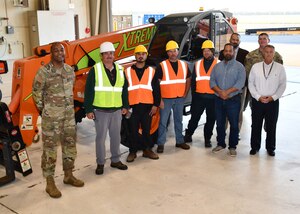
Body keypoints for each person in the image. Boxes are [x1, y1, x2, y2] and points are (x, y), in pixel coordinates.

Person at [32, 42, 84, 198]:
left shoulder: (70, 71)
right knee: (50, 150)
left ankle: (68, 175)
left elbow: (71, 90)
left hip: (69, 117)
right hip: (51, 118)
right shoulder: (43, 72)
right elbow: (36, 94)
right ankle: (50, 183)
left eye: (62, 50)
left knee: (70, 146)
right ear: (51, 53)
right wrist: (46, 110)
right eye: (56, 50)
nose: (60, 52)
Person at [84, 41, 128, 175]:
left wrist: (125, 105)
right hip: (101, 110)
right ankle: (100, 163)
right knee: (100, 138)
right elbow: (89, 90)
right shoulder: (95, 70)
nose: (109, 56)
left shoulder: (120, 69)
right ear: (101, 55)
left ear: (114, 55)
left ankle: (115, 160)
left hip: (116, 110)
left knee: (116, 137)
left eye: (111, 53)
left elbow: (124, 89)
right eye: (106, 53)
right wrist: (89, 109)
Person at [248, 45, 286, 156]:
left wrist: (273, 97)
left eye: (271, 52)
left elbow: (282, 85)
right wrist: (257, 96)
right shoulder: (256, 67)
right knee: (256, 125)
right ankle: (255, 147)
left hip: (272, 102)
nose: (268, 54)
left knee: (271, 126)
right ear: (263, 53)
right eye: (266, 52)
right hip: (257, 101)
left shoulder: (279, 68)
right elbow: (251, 83)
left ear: (274, 53)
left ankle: (270, 148)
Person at [124, 45, 161, 162]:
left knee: (146, 129)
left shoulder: (151, 71)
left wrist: (156, 105)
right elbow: (124, 90)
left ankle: (147, 150)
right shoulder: (127, 71)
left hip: (147, 106)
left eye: (143, 54)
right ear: (135, 56)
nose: (140, 56)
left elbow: (156, 89)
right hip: (132, 106)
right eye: (138, 54)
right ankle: (132, 151)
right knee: (132, 130)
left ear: (146, 55)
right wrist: (125, 106)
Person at [210, 43, 246, 156]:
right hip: (219, 99)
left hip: (233, 100)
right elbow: (212, 82)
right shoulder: (217, 66)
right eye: (226, 51)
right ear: (223, 52)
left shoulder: (240, 67)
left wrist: (227, 92)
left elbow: (240, 83)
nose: (228, 53)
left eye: (230, 51)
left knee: (234, 124)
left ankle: (232, 146)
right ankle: (220, 143)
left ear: (233, 52)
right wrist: (220, 92)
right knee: (220, 124)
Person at [156, 40, 191, 153]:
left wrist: (185, 93)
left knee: (178, 120)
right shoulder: (162, 66)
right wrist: (159, 99)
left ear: (177, 52)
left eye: (174, 51)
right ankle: (161, 143)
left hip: (180, 97)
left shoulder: (184, 64)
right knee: (163, 122)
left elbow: (188, 79)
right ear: (167, 53)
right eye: (170, 51)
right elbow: (156, 84)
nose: (172, 53)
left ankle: (179, 141)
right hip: (165, 98)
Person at [184, 40, 218, 148]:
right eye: (204, 51)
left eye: (208, 51)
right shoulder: (197, 64)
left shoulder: (219, 64)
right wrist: (194, 97)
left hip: (213, 97)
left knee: (211, 119)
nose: (206, 53)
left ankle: (207, 139)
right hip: (199, 97)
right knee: (194, 118)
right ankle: (188, 134)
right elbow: (193, 81)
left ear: (212, 51)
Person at [219, 33, 249, 135]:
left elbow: (246, 71)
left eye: (237, 40)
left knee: (238, 110)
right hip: (225, 86)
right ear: (230, 39)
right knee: (224, 109)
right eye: (233, 39)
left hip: (240, 87)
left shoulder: (245, 54)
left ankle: (237, 132)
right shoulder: (222, 53)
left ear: (239, 41)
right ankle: (223, 131)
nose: (235, 41)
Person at [244, 33, 283, 109]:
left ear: (268, 40)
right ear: (258, 41)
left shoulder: (277, 56)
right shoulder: (251, 56)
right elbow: (248, 74)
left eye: (264, 38)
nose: (262, 40)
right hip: (256, 92)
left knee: (271, 117)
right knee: (256, 115)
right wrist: (256, 91)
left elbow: (279, 74)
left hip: (272, 93)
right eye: (260, 39)